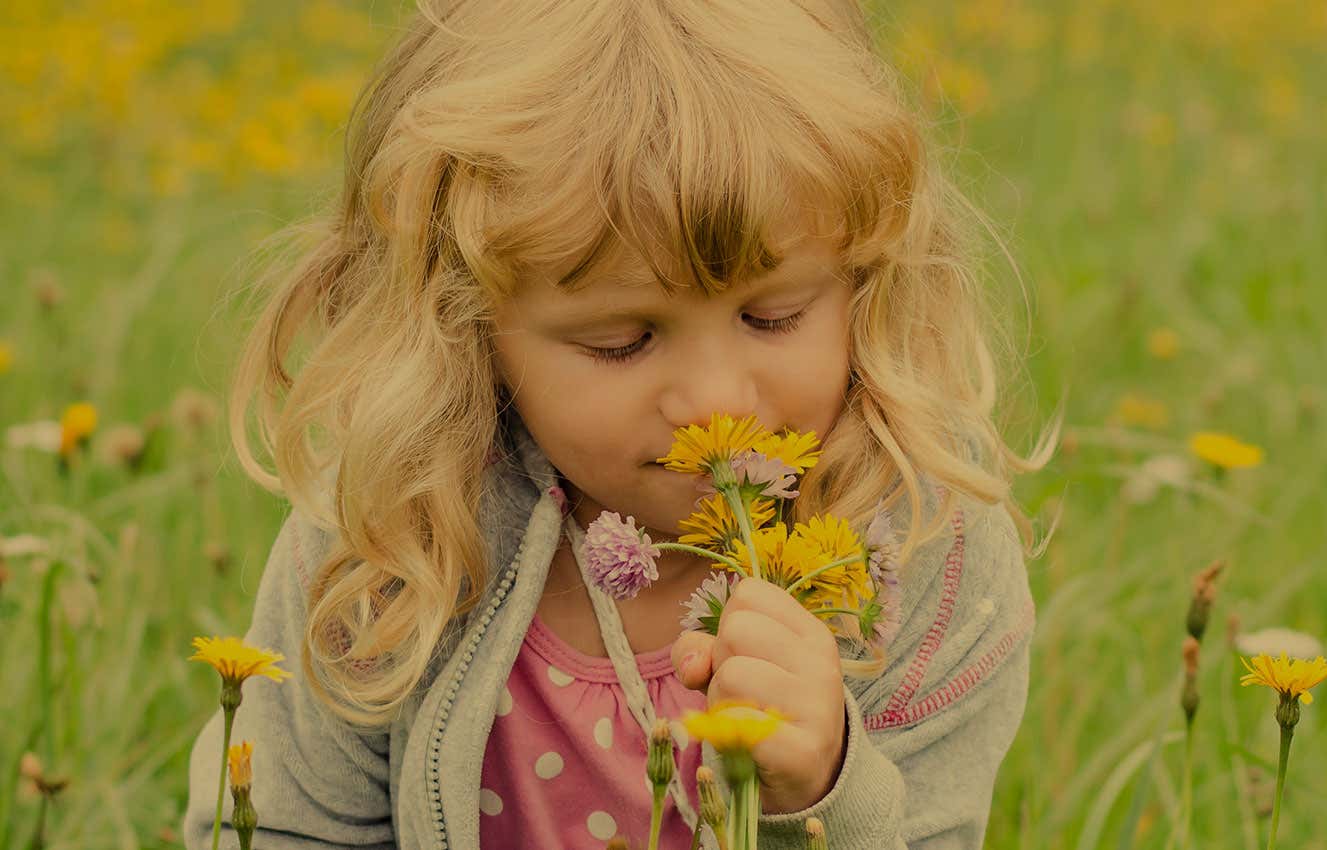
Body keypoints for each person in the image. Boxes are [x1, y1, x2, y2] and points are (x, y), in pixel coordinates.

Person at [181, 1, 1059, 847]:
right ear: (466, 325)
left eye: (774, 316)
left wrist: (821, 796)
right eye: (622, 340)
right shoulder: (391, 540)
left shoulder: (924, 557)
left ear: (865, 275)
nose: (718, 402)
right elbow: (283, 829)